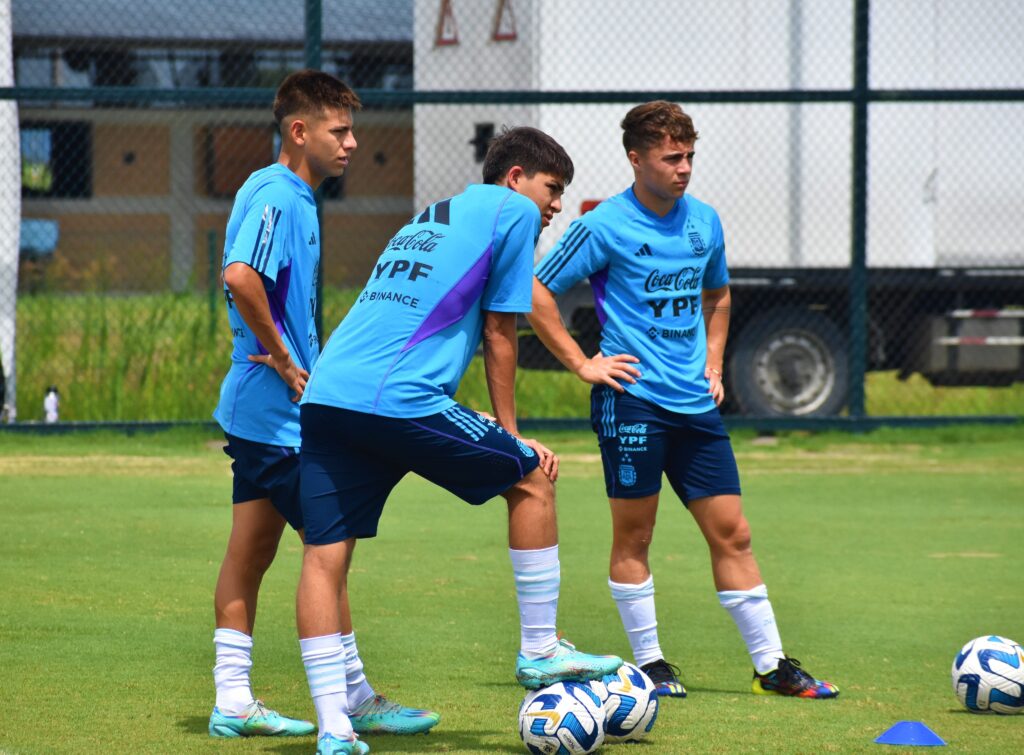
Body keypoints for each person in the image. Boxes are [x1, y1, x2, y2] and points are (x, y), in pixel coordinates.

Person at [295, 126, 624, 755]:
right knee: (529, 477)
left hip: (328, 397)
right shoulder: (513, 213)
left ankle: (339, 723)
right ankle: (540, 650)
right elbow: (502, 331)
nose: (555, 205)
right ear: (516, 177)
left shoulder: (435, 214)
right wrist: (512, 434)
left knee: (323, 557)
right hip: (395, 399)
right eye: (552, 189)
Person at [527, 101, 839, 702]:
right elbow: (537, 290)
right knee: (635, 538)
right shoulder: (603, 226)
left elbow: (718, 295)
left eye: (690, 156)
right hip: (633, 403)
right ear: (636, 158)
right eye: (671, 157)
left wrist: (715, 363)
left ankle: (772, 665)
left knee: (734, 534)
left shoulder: (705, 222)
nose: (684, 168)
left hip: (696, 406)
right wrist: (582, 362)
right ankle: (651, 664)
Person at [209, 69, 436, 740]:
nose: (353, 143)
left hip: (259, 415)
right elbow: (240, 276)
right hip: (276, 416)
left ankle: (231, 696)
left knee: (250, 551)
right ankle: (352, 699)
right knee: (327, 550)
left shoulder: (289, 194)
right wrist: (283, 358)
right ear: (299, 131)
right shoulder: (279, 194)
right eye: (340, 131)